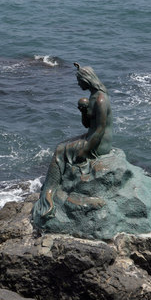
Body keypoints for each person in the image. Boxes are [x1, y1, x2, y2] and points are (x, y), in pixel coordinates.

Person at [32, 64, 113, 221]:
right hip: (91, 136)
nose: (77, 84)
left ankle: (49, 194)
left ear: (86, 80)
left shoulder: (101, 99)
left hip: (99, 143)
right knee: (61, 146)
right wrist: (83, 111)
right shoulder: (93, 96)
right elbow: (89, 126)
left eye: (78, 80)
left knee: (60, 151)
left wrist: (85, 150)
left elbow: (100, 130)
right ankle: (49, 189)